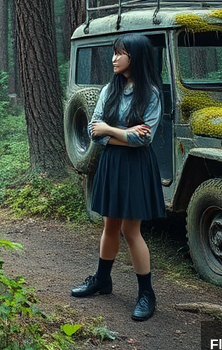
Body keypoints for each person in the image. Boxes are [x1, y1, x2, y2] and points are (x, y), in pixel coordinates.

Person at [70, 34, 165, 322]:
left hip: (136, 165)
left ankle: (147, 294)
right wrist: (123, 134)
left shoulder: (150, 93)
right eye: (114, 53)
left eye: (119, 53)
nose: (114, 58)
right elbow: (92, 133)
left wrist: (109, 131)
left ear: (134, 57)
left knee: (130, 231)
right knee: (109, 226)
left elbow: (144, 141)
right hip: (112, 163)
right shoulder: (109, 90)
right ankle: (102, 280)